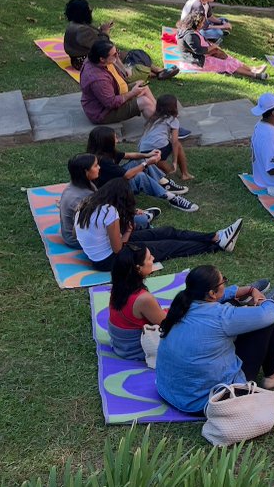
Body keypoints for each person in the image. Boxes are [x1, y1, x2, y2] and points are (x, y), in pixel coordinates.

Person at [156, 265, 274, 415]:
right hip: (205, 403)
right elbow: (269, 315)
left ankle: (245, 301)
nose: (225, 283)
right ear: (212, 293)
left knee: (234, 308)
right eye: (223, 282)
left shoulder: (181, 306)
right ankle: (272, 374)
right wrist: (262, 302)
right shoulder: (221, 316)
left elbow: (214, 300)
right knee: (265, 326)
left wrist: (246, 290)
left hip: (168, 392)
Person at [74, 179, 241, 271]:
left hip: (105, 253)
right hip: (109, 260)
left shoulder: (86, 204)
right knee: (169, 246)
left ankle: (215, 236)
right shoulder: (109, 211)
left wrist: (128, 221)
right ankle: (217, 246)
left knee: (166, 231)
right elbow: (118, 248)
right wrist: (128, 232)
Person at [87, 124, 197, 213]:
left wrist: (147, 155)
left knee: (139, 161)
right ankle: (172, 199)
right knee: (140, 176)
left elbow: (129, 155)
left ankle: (165, 184)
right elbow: (127, 175)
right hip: (110, 193)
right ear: (106, 142)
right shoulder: (103, 161)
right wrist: (146, 164)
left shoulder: (106, 152)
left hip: (114, 181)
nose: (117, 140)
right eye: (114, 137)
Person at [64, 0, 177, 80]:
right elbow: (101, 46)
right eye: (89, 11)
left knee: (133, 54)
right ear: (83, 13)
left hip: (85, 58)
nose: (91, 11)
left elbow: (89, 41)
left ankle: (158, 71)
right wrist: (105, 32)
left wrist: (101, 29)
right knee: (134, 57)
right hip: (91, 60)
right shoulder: (81, 30)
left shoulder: (75, 25)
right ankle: (154, 72)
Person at [106, 245, 170, 361]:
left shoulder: (119, 285)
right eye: (149, 258)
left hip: (119, 344)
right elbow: (166, 323)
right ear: (138, 268)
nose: (153, 258)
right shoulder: (143, 299)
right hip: (134, 349)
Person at [80, 40, 157, 125]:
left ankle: (161, 116)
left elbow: (115, 60)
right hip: (102, 113)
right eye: (114, 54)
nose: (117, 55)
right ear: (102, 59)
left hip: (112, 94)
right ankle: (161, 130)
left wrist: (123, 69)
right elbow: (111, 103)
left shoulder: (94, 58)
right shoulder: (98, 79)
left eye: (116, 51)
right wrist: (132, 93)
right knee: (145, 102)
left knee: (142, 85)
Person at [176, 10, 267, 81]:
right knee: (227, 64)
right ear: (196, 23)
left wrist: (213, 48)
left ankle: (252, 69)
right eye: (202, 22)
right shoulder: (190, 35)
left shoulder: (191, 30)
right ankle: (254, 75)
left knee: (229, 58)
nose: (203, 24)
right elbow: (199, 51)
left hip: (201, 56)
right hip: (196, 62)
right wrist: (213, 47)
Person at [138, 95, 193, 182]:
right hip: (158, 149)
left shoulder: (152, 119)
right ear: (173, 107)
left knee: (167, 171)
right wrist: (174, 161)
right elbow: (174, 142)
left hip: (143, 151)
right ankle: (185, 174)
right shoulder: (173, 120)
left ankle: (158, 171)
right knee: (178, 145)